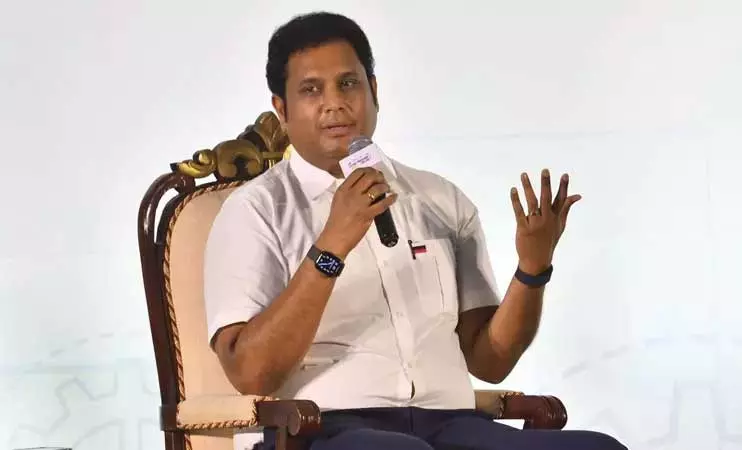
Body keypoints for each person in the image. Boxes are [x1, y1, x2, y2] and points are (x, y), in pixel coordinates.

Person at [203, 11, 627, 450]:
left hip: (450, 425)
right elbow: (250, 372)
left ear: (374, 91)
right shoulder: (256, 211)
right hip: (320, 431)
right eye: (311, 90)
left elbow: (490, 361)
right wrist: (332, 244)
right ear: (282, 109)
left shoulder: (439, 199)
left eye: (348, 83)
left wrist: (532, 270)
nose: (335, 103)